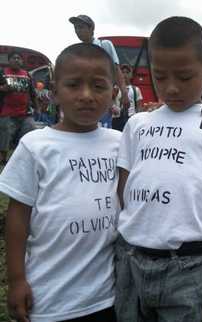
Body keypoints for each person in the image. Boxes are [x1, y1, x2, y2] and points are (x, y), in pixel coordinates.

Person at [115, 16, 202, 322]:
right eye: (160, 77)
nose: (171, 88)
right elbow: (123, 186)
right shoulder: (138, 123)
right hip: (130, 258)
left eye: (184, 76)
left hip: (186, 265)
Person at [0, 43, 121, 322]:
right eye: (74, 85)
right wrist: (17, 280)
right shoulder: (36, 145)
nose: (86, 96)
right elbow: (18, 218)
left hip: (108, 295)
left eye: (99, 86)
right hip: (51, 299)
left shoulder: (119, 143)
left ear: (113, 93)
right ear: (54, 92)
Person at [69, 14, 130, 128]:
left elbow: (116, 70)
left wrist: (124, 93)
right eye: (76, 28)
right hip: (83, 99)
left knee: (102, 131)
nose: (78, 31)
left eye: (81, 27)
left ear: (91, 28)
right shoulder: (77, 52)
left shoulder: (105, 45)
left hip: (102, 98)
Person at [0, 52, 38, 165]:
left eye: (19, 58)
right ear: (9, 60)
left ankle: (22, 157)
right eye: (14, 58)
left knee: (30, 129)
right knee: (5, 135)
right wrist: (2, 88)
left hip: (25, 112)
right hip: (6, 112)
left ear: (21, 61)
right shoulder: (2, 72)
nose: (17, 60)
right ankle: (3, 158)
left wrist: (37, 108)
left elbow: (33, 93)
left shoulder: (26, 74)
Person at [112, 64, 143, 131]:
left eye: (127, 72)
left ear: (131, 75)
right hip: (117, 119)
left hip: (131, 118)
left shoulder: (135, 89)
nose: (125, 75)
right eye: (122, 72)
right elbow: (110, 103)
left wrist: (138, 119)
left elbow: (139, 106)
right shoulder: (115, 88)